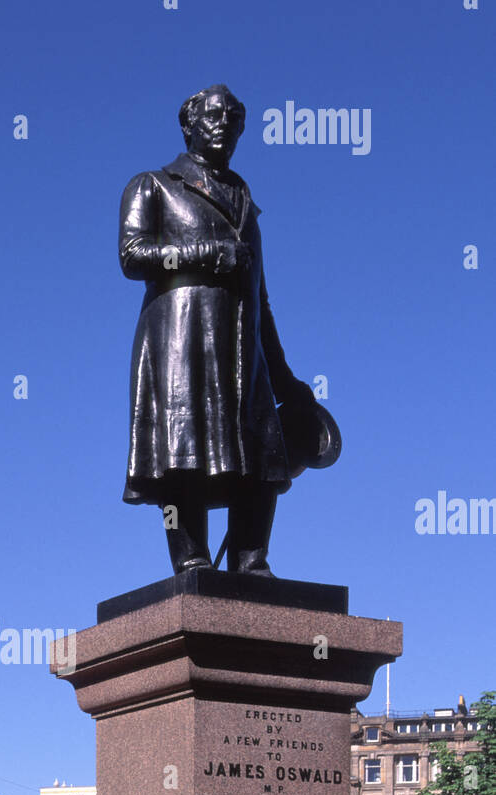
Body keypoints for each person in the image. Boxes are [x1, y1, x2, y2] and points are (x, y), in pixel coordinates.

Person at [120, 84, 323, 576]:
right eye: (212, 117)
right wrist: (206, 256)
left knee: (259, 452)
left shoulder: (246, 206)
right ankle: (189, 557)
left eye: (233, 120)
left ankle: (252, 561)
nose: (223, 126)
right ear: (188, 124)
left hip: (242, 351)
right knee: (181, 453)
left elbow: (262, 301)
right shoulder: (154, 184)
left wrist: (287, 380)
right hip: (180, 343)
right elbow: (132, 255)